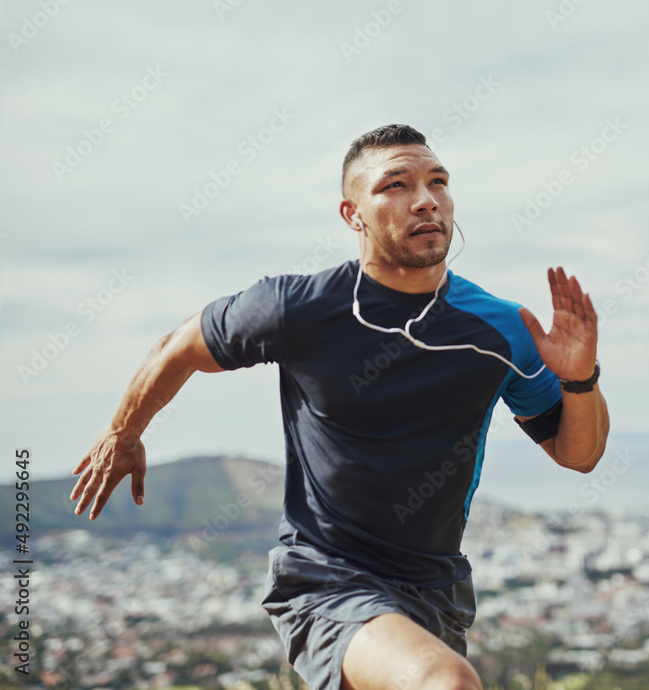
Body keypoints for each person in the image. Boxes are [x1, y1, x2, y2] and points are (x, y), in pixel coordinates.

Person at [69, 123, 610, 690]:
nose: (425, 199)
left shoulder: (503, 329)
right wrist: (122, 433)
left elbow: (578, 455)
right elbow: (179, 347)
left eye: (438, 181)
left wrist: (579, 379)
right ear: (353, 214)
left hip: (438, 589)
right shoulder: (297, 308)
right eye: (395, 185)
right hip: (326, 578)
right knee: (448, 684)